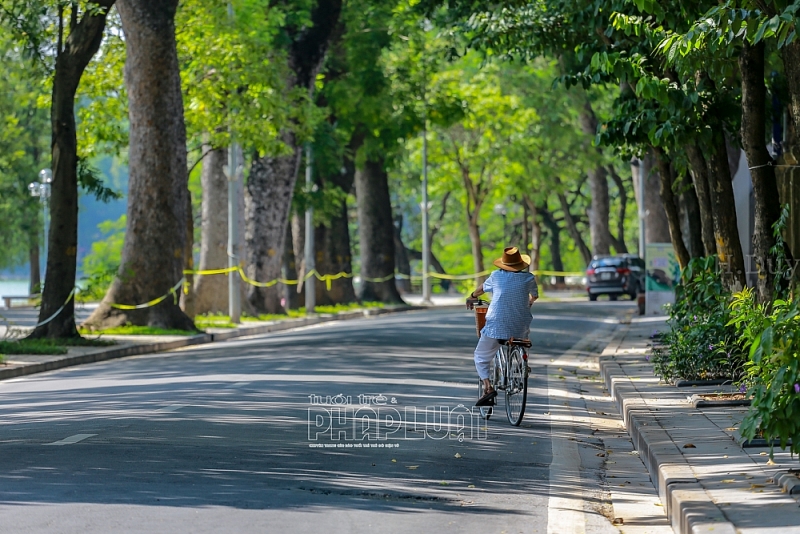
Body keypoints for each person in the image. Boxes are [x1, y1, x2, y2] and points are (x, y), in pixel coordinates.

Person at [466, 247, 538, 406]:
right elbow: (534, 296)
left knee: (481, 356)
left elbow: (480, 290)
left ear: (503, 264)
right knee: (523, 337)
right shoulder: (529, 278)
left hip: (496, 325)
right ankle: (521, 365)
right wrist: (529, 303)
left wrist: (471, 297)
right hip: (520, 325)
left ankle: (487, 387)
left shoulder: (496, 276)